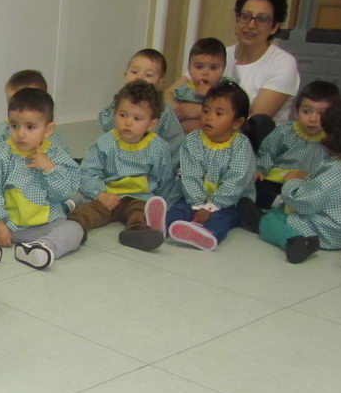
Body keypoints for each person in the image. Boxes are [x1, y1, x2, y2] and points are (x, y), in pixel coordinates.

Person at [0, 68, 67, 266]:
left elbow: (66, 187)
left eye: (30, 126)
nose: (20, 134)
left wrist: (49, 169)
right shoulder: (1, 152)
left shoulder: (55, 150)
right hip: (4, 221)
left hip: (38, 226)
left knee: (74, 229)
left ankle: (42, 248)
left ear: (48, 129)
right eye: (14, 125)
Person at [238, 100, 341, 264]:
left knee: (271, 221)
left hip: (325, 232)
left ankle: (293, 240)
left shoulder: (336, 170)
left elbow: (304, 202)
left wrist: (292, 182)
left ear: (339, 139)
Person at [144, 81, 255, 252]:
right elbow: (190, 176)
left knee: (223, 218)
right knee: (180, 208)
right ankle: (162, 227)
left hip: (229, 202)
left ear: (237, 122)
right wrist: (197, 204)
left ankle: (206, 234)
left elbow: (236, 181)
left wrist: (211, 207)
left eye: (219, 113)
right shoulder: (193, 140)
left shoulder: (241, 145)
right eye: (205, 111)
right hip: (194, 196)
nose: (209, 117)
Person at [66, 81, 177, 251]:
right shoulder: (105, 143)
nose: (128, 122)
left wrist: (163, 203)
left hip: (139, 197)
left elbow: (166, 180)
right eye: (122, 115)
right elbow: (86, 172)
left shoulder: (158, 148)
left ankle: (136, 231)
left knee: (141, 212)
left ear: (151, 124)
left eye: (137, 118)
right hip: (109, 196)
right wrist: (99, 194)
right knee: (86, 212)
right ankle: (74, 229)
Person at [225, 0, 301, 151]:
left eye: (262, 19)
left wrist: (194, 111)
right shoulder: (221, 55)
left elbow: (253, 124)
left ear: (274, 27)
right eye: (245, 16)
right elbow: (170, 94)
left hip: (258, 153)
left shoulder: (283, 63)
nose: (251, 25)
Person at [253, 80, 340, 208]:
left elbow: (333, 169)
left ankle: (280, 206)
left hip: (307, 185)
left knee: (323, 199)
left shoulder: (332, 141)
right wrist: (261, 169)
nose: (312, 119)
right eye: (306, 111)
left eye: (321, 114)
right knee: (254, 188)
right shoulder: (285, 131)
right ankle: (278, 204)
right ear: (296, 112)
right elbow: (267, 151)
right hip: (277, 180)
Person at [96, 48, 185, 160]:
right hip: (119, 156)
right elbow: (106, 125)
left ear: (159, 83)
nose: (139, 77)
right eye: (134, 72)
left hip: (151, 162)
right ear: (125, 75)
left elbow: (175, 143)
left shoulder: (164, 112)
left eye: (148, 75)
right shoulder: (120, 102)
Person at [165, 37, 234, 134]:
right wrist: (178, 111)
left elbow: (233, 106)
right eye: (199, 67)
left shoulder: (225, 86)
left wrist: (211, 93)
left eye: (213, 68)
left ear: (223, 69)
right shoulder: (183, 90)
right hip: (183, 139)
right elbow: (168, 104)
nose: (205, 73)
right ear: (189, 68)